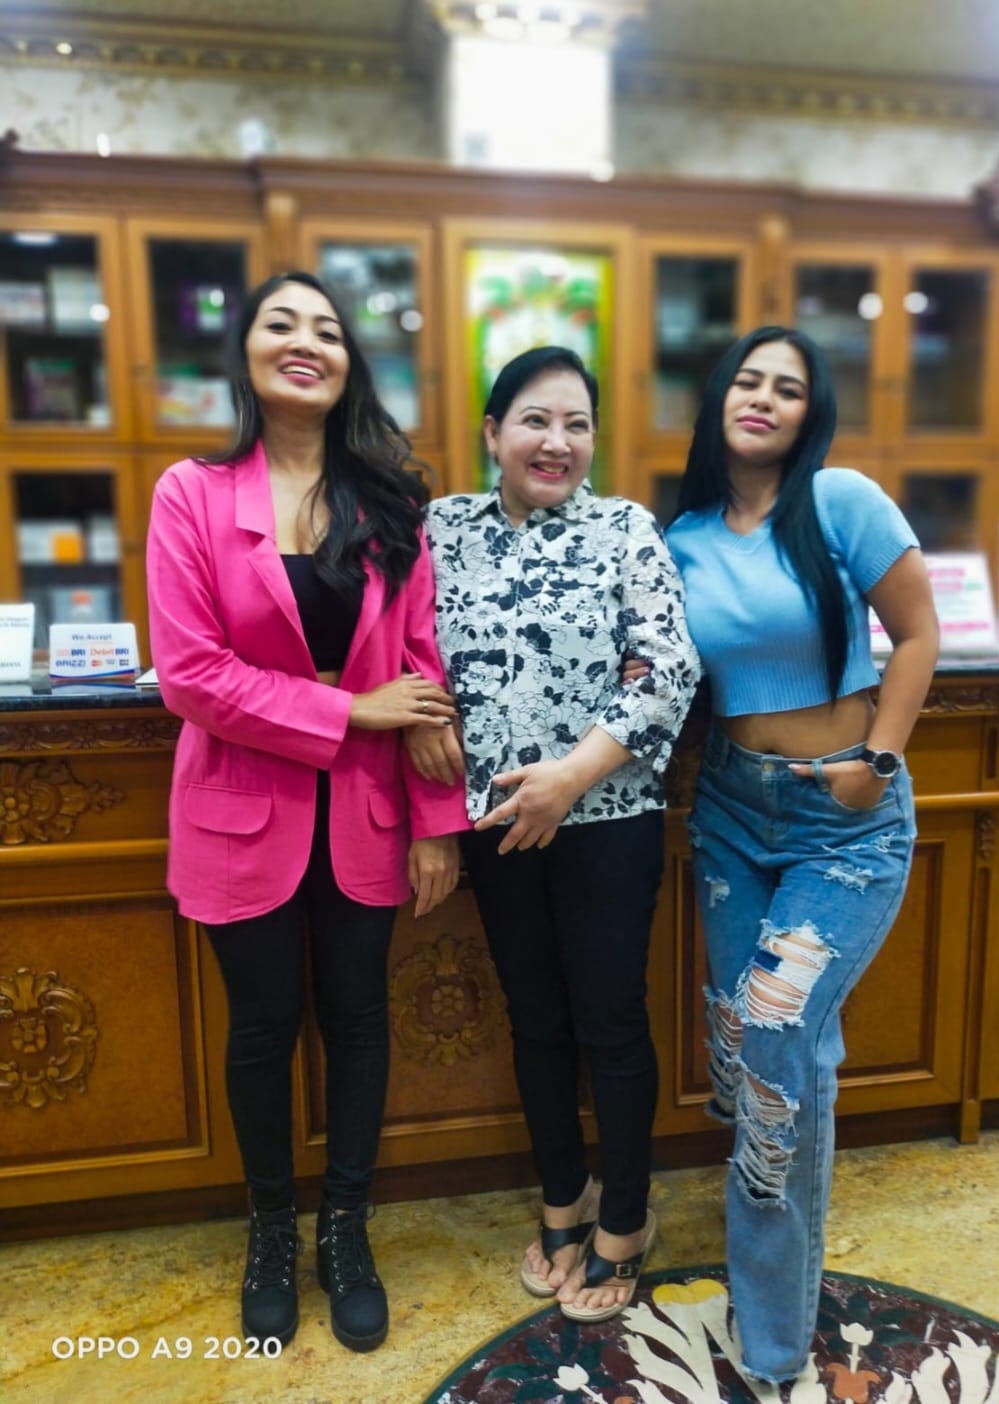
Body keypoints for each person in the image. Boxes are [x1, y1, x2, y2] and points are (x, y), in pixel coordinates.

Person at [145, 271, 466, 1354]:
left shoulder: (390, 506)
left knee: (360, 1019)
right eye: (280, 323)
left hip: (366, 813)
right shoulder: (191, 494)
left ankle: (346, 1230)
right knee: (262, 1026)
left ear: (346, 365)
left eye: (326, 329)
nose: (305, 341)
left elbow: (420, 670)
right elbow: (190, 674)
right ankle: (271, 1232)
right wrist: (348, 709)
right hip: (241, 814)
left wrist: (436, 818)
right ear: (244, 352)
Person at [665, 325, 940, 1385]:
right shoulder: (683, 536)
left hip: (844, 821)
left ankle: (774, 1338)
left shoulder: (840, 502)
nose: (764, 398)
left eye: (787, 388)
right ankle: (765, 1210)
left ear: (806, 413)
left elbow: (916, 634)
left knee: (778, 1049)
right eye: (748, 380)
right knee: (742, 1040)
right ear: (718, 399)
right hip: (734, 813)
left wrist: (878, 757)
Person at [412, 346, 700, 1323]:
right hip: (495, 825)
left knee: (609, 1021)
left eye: (576, 425)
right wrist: (420, 717)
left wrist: (570, 778)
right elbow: (399, 645)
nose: (557, 441)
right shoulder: (442, 529)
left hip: (605, 820)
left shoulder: (624, 530)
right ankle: (561, 1198)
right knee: (533, 1019)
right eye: (535, 419)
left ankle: (624, 1217)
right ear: (492, 432)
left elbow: (667, 669)